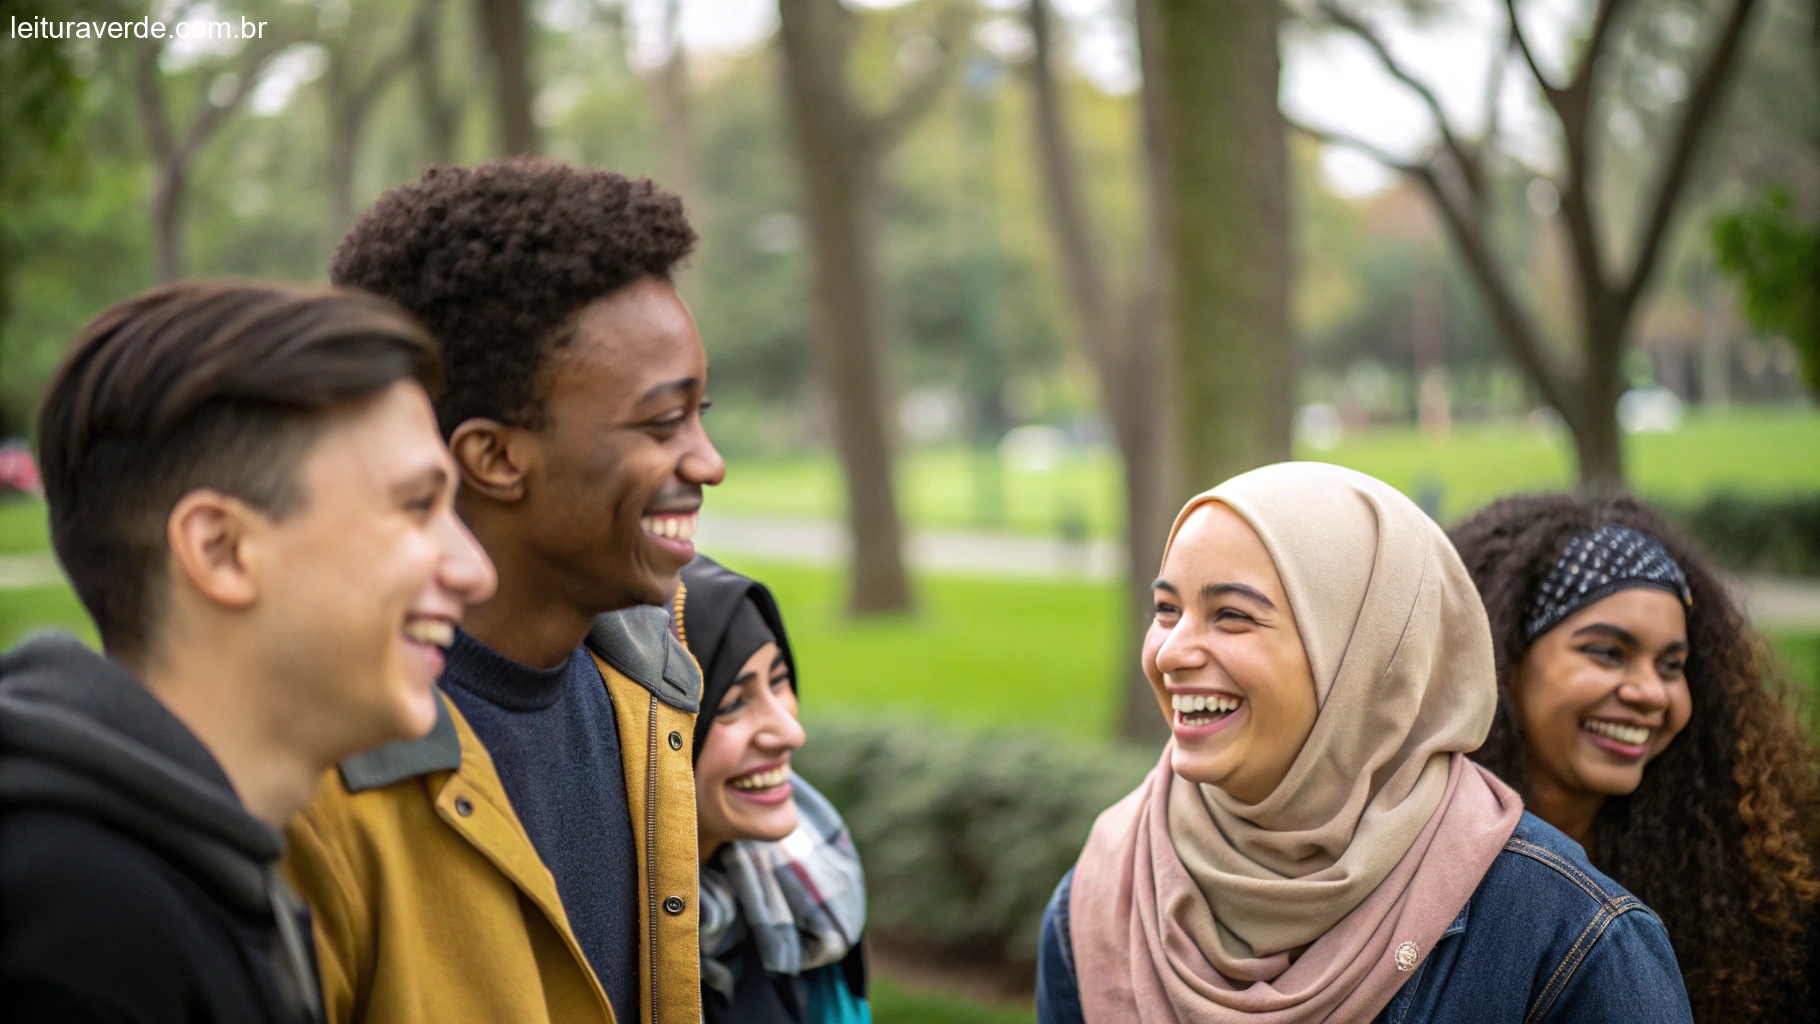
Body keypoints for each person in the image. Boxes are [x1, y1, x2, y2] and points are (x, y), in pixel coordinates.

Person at [283, 159, 724, 1024]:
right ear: (493, 458)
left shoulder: (650, 682)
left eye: (704, 412)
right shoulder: (313, 784)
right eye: (664, 422)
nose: (708, 461)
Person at [1035, 462, 1693, 1024]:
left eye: (1231, 614)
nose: (1173, 651)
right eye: (1167, 610)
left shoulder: (1567, 938)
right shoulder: (1100, 898)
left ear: (1365, 655)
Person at [0, 282, 496, 1022]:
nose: (474, 571)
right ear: (223, 551)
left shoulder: (214, 874)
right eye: (416, 506)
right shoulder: (82, 933)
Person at [1452, 494, 1820, 1023]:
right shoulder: (1416, 864)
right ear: (1501, 660)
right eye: (1607, 652)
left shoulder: (1746, 898)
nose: (1652, 692)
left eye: (1672, 665)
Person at [674, 555, 870, 1024]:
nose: (789, 732)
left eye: (779, 682)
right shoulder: (607, 956)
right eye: (734, 702)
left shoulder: (806, 890)